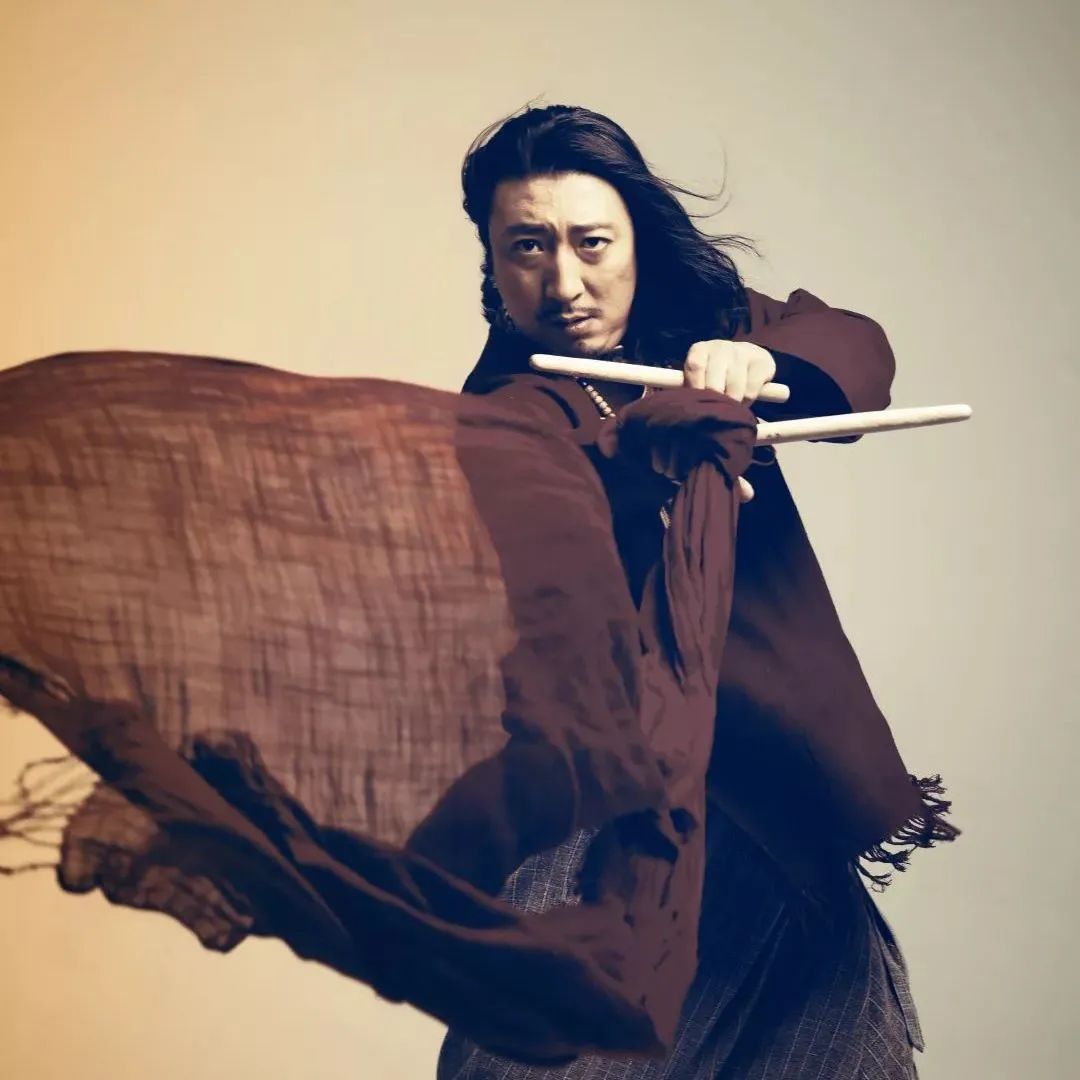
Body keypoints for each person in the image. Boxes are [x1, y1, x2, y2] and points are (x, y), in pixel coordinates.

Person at [436, 104, 939, 1080]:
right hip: (605, 813)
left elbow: (858, 348)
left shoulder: (702, 330)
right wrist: (651, 464)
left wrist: (764, 363)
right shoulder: (499, 411)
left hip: (773, 793)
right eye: (528, 247)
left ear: (637, 240)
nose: (565, 283)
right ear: (493, 261)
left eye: (592, 243)